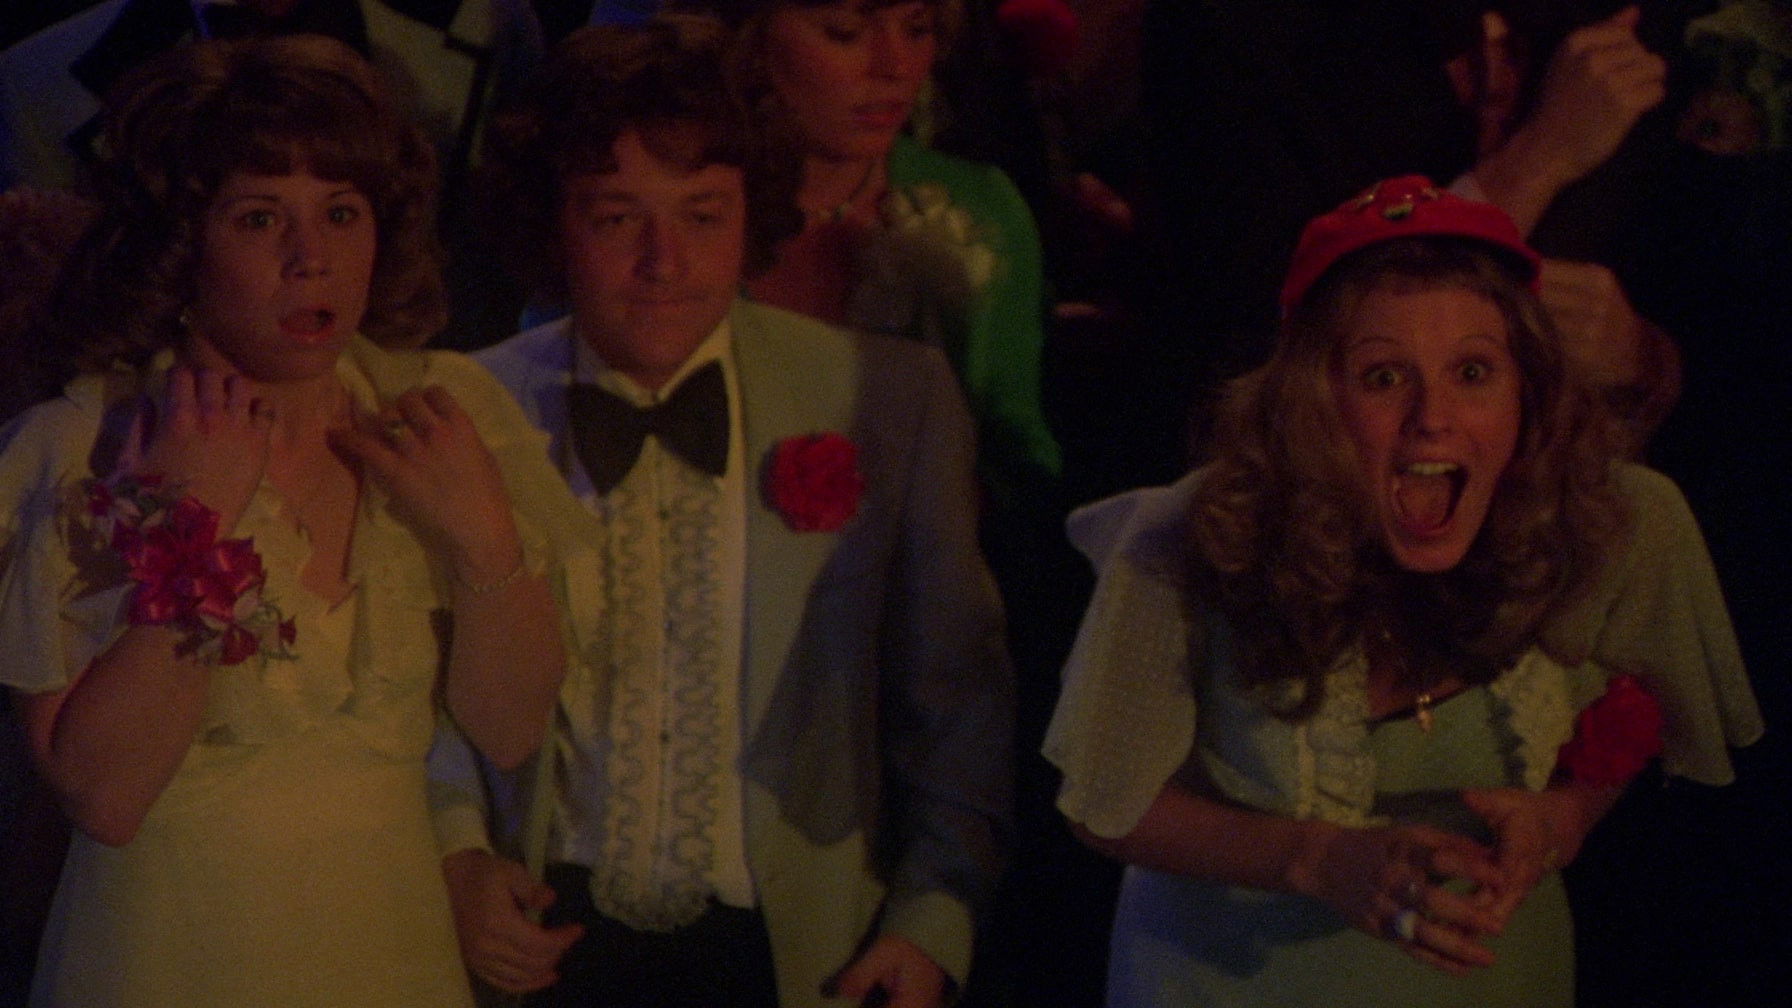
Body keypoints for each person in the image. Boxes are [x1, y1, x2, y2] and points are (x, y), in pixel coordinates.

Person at [1042, 176, 1762, 1007]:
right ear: (1313, 399)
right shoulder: (1190, 541)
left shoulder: (1609, 524)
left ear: (1527, 394)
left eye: (1473, 371)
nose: (1433, 417)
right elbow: (1104, 807)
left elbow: (1639, 716)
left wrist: (1561, 821)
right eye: (1384, 377)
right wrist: (1316, 860)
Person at [427, 17, 1013, 1008]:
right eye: (617, 217)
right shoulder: (466, 405)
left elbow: (956, 703)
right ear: (553, 222)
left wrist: (932, 920)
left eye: (703, 215)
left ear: (752, 215)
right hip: (539, 942)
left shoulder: (884, 397)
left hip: (799, 954)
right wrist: (456, 857)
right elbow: (415, 688)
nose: (664, 261)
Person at [0, 35, 586, 1005]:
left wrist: (482, 535)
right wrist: (191, 526)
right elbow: (104, 795)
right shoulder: (78, 449)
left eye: (342, 213)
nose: (312, 259)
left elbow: (510, 728)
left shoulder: (440, 415)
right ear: (182, 244)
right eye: (261, 218)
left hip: (395, 957)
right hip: (171, 963)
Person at [688, 0, 1059, 507]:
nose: (896, 66)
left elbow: (1018, 458)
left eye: (917, 28)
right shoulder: (672, 206)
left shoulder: (977, 212)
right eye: (846, 32)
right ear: (749, 41)